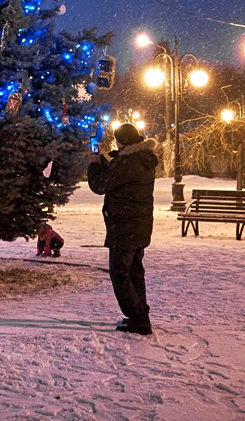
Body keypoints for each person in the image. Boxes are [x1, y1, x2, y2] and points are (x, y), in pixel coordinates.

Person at [88, 123, 159, 335]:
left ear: (124, 142)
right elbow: (116, 179)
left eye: (118, 140)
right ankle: (140, 315)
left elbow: (100, 185)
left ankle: (138, 318)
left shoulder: (128, 164)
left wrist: (93, 164)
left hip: (124, 226)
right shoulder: (142, 160)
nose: (115, 144)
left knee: (120, 274)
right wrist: (105, 162)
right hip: (139, 225)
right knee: (135, 271)